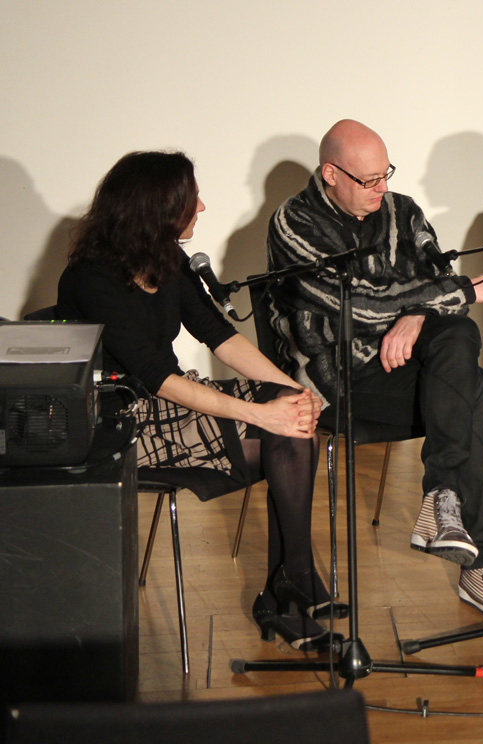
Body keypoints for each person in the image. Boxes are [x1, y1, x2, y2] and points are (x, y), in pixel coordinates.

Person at [57, 151, 338, 651]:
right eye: (192, 200)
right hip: (118, 423)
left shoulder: (170, 261)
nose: (202, 207)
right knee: (283, 434)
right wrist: (260, 412)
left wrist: (293, 392)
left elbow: (219, 336)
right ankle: (288, 587)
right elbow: (155, 376)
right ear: (156, 209)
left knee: (291, 418)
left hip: (171, 404)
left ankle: (290, 582)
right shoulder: (91, 278)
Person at [266, 119, 483, 619]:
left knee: (458, 335)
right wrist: (452, 295)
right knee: (474, 390)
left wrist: (416, 315)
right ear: (330, 174)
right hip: (341, 379)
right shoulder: (293, 224)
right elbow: (357, 307)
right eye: (369, 180)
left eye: (385, 173)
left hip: (407, 367)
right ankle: (480, 558)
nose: (382, 188)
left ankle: (443, 499)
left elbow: (437, 281)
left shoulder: (402, 211)